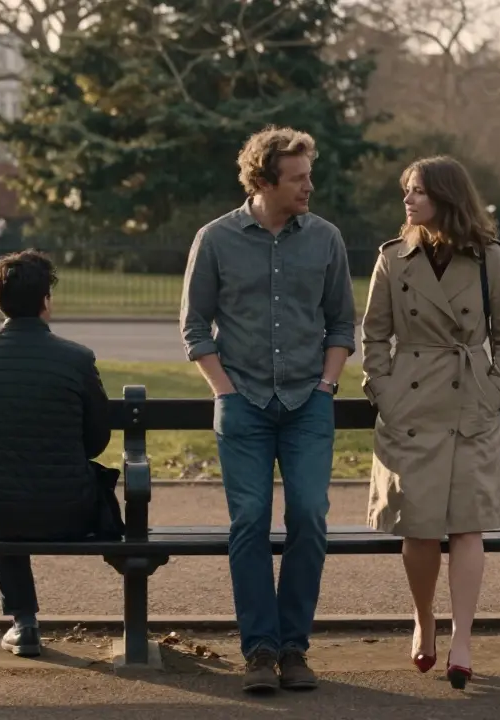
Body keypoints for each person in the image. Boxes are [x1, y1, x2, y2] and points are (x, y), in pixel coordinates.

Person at [180, 126, 355, 693]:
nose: (309, 185)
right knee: (249, 521)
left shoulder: (326, 238)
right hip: (244, 405)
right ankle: (259, 649)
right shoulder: (215, 239)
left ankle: (295, 647)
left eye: (309, 174)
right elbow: (193, 327)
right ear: (263, 180)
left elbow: (341, 323)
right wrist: (224, 391)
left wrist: (328, 384)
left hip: (309, 402)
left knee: (309, 516)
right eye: (298, 177)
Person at [360, 155, 500, 690]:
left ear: (447, 198)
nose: (407, 200)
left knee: (467, 523)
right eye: (406, 190)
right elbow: (374, 336)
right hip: (409, 407)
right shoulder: (393, 258)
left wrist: (494, 392)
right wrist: (385, 394)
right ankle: (423, 618)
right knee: (418, 526)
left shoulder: (487, 258)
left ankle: (462, 637)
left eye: (418, 192)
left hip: (469, 404)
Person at [0, 249, 119, 658]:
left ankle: (23, 621)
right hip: (68, 508)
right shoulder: (77, 358)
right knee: (13, 477)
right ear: (46, 299)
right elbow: (98, 440)